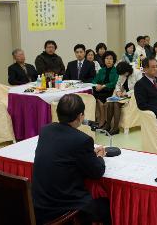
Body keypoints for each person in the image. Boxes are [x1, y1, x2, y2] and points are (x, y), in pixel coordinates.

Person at [32, 94, 110, 225]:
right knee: (106, 206)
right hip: (63, 208)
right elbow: (96, 172)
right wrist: (99, 156)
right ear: (80, 116)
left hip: (38, 205)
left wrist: (88, 154)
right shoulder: (82, 140)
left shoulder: (46, 130)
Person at [104, 62, 137, 135]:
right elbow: (118, 84)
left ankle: (116, 128)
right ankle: (108, 125)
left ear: (127, 71)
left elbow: (139, 88)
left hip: (132, 97)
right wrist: (118, 91)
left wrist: (126, 94)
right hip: (122, 96)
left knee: (116, 103)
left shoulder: (137, 73)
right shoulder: (122, 74)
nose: (122, 76)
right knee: (110, 103)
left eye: (123, 74)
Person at [92, 51, 119, 128]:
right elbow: (94, 80)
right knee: (100, 101)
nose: (109, 60)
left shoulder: (116, 70)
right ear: (104, 60)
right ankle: (102, 120)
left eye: (111, 59)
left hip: (110, 90)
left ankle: (104, 121)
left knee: (102, 102)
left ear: (113, 61)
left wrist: (103, 86)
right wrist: (97, 85)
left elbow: (114, 82)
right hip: (100, 91)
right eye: (107, 58)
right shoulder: (101, 70)